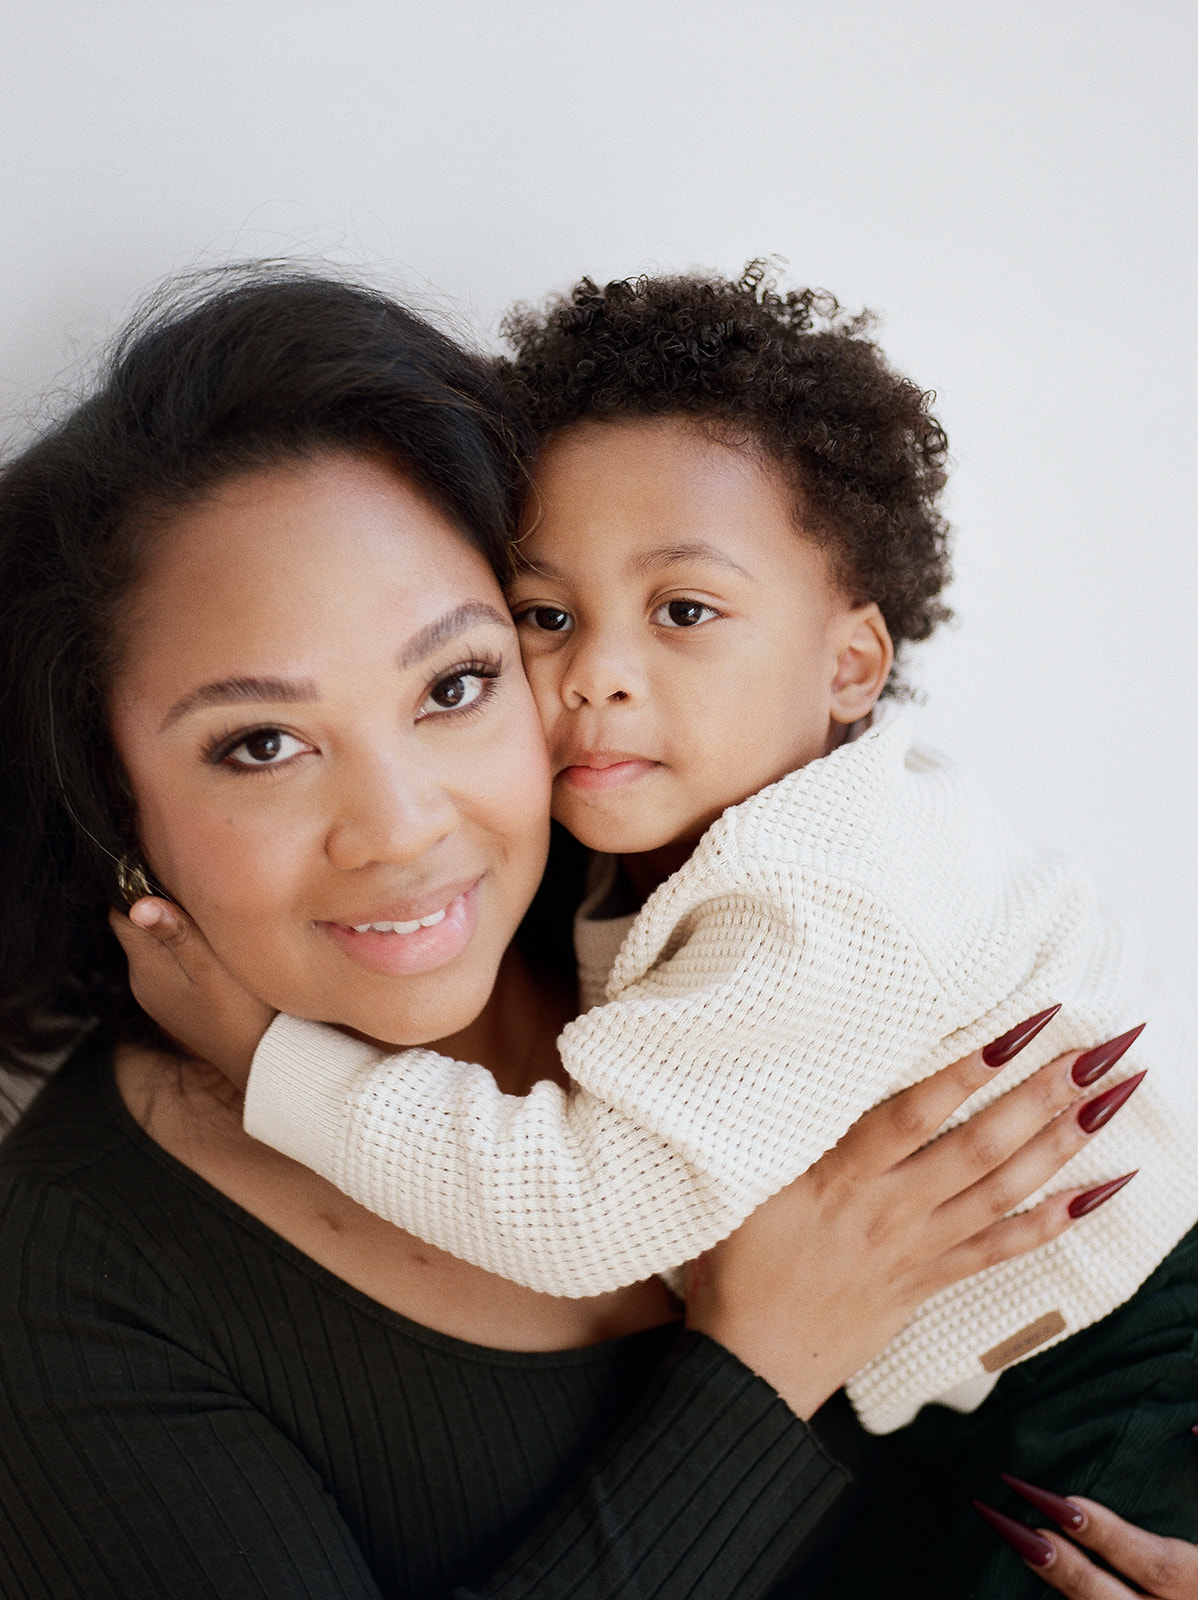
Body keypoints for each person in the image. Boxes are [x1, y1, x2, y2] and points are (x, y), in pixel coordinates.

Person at [0, 267, 1108, 1599]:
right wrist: (762, 1370)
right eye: (262, 744)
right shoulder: (68, 1283)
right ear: (112, 793)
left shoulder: (706, 930)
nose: (401, 828)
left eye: (457, 682)